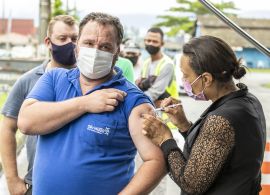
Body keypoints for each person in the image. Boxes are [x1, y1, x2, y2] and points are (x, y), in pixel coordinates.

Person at [18, 12, 166, 195]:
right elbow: (26, 122)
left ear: (117, 51)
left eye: (105, 46)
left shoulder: (133, 101)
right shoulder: (55, 79)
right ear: (77, 46)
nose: (95, 51)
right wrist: (85, 103)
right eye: (88, 43)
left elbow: (157, 161)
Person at [142, 35, 266, 195]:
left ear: (206, 79)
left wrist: (165, 139)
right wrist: (184, 125)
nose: (184, 81)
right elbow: (215, 152)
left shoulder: (220, 120)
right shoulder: (247, 100)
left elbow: (191, 184)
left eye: (186, 76)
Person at [0, 15, 79, 195]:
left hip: (80, 184)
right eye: (62, 38)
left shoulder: (90, 81)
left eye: (75, 39)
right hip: (38, 184)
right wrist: (12, 179)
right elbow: (7, 129)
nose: (70, 44)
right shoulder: (28, 81)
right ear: (48, 42)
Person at [136, 27, 178, 107]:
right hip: (151, 110)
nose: (151, 43)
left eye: (155, 41)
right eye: (148, 40)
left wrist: (134, 100)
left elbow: (153, 93)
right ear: (144, 41)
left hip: (166, 114)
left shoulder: (167, 64)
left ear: (162, 44)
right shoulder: (146, 63)